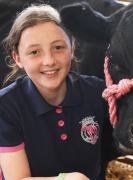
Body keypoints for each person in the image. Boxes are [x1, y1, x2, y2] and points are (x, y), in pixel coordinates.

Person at [0, 4, 117, 180]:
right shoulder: (6, 106)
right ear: (18, 58)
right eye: (34, 52)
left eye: (58, 47)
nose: (49, 61)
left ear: (73, 47)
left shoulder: (98, 92)